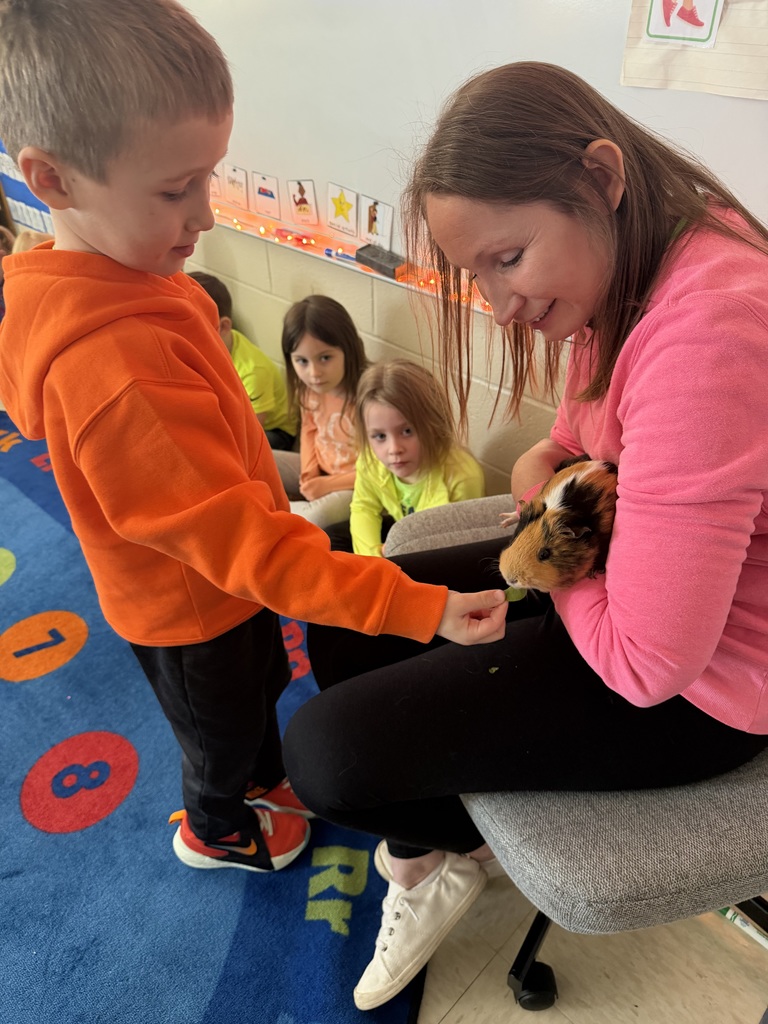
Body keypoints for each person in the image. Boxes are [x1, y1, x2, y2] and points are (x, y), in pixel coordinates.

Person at [281, 60, 768, 1010]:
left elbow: (645, 665)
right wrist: (549, 456)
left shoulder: (711, 327)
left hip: (699, 685)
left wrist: (544, 564)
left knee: (325, 757)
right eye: (479, 275)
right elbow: (588, 431)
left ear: (601, 176)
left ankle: (432, 854)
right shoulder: (645, 246)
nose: (501, 308)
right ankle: (437, 852)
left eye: (508, 260)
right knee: (346, 616)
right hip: (622, 583)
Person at [0, 0, 507, 879]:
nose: (208, 212)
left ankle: (257, 778)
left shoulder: (120, 275)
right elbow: (247, 551)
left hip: (218, 577)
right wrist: (415, 606)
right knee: (219, 734)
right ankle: (218, 830)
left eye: (209, 176)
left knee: (257, 690)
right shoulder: (115, 371)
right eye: (174, 190)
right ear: (52, 180)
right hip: (190, 604)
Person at [327, 358, 485, 555]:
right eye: (380, 436)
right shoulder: (370, 458)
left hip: (438, 548)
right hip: (402, 531)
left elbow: (457, 544)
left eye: (407, 431)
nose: (394, 449)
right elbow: (364, 508)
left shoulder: (462, 477)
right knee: (329, 539)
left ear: (434, 425)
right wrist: (373, 559)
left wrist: (397, 558)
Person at [273, 294, 368, 528]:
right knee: (256, 458)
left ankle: (280, 520)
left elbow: (380, 469)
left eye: (325, 358)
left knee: (316, 518)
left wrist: (327, 485)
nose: (314, 373)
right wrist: (308, 473)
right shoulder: (310, 389)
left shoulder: (369, 394)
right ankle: (276, 516)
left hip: (357, 486)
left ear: (348, 348)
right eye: (302, 361)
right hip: (321, 473)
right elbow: (309, 431)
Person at [187, 271, 298, 450]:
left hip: (274, 430)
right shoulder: (221, 343)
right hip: (236, 414)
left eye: (196, 331)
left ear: (223, 327)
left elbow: (253, 431)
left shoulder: (253, 371)